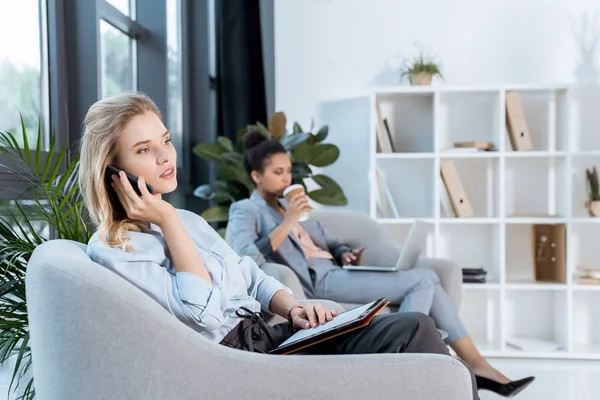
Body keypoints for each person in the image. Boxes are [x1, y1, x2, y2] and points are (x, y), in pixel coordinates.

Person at [78, 91, 482, 399]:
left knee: (416, 325)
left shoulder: (188, 221)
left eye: (164, 141)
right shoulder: (116, 248)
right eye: (144, 150)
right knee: (412, 336)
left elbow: (250, 276)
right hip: (240, 364)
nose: (166, 156)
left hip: (275, 337)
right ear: (112, 171)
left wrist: (295, 306)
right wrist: (166, 221)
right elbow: (200, 313)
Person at [226, 130, 535, 398]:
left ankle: (475, 366)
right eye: (278, 172)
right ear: (256, 176)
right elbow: (248, 255)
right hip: (319, 281)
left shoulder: (290, 206)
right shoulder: (246, 210)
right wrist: (289, 220)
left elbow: (331, 241)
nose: (287, 178)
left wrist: (345, 251)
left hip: (339, 270)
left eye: (289, 171)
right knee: (423, 279)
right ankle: (421, 361)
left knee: (432, 283)